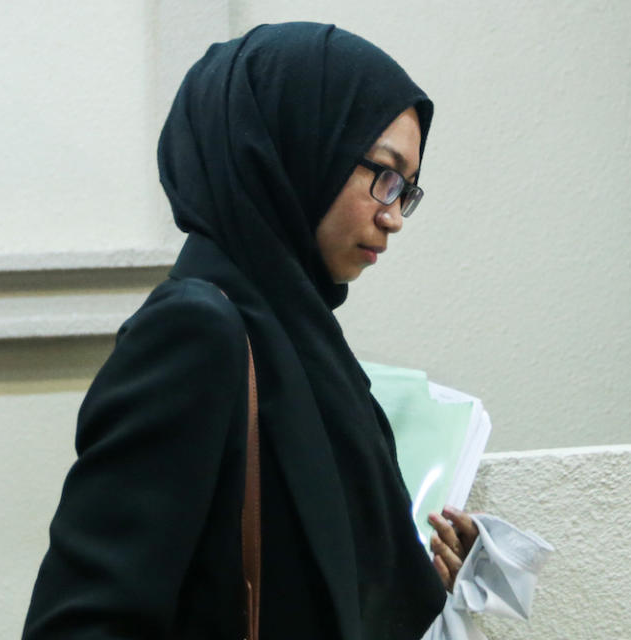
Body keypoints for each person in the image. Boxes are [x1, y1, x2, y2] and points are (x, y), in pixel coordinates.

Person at [23, 22, 479, 639]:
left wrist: (421, 581)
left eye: (408, 190)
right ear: (292, 148)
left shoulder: (306, 346)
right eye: (383, 175)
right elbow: (85, 621)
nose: (393, 216)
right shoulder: (196, 332)